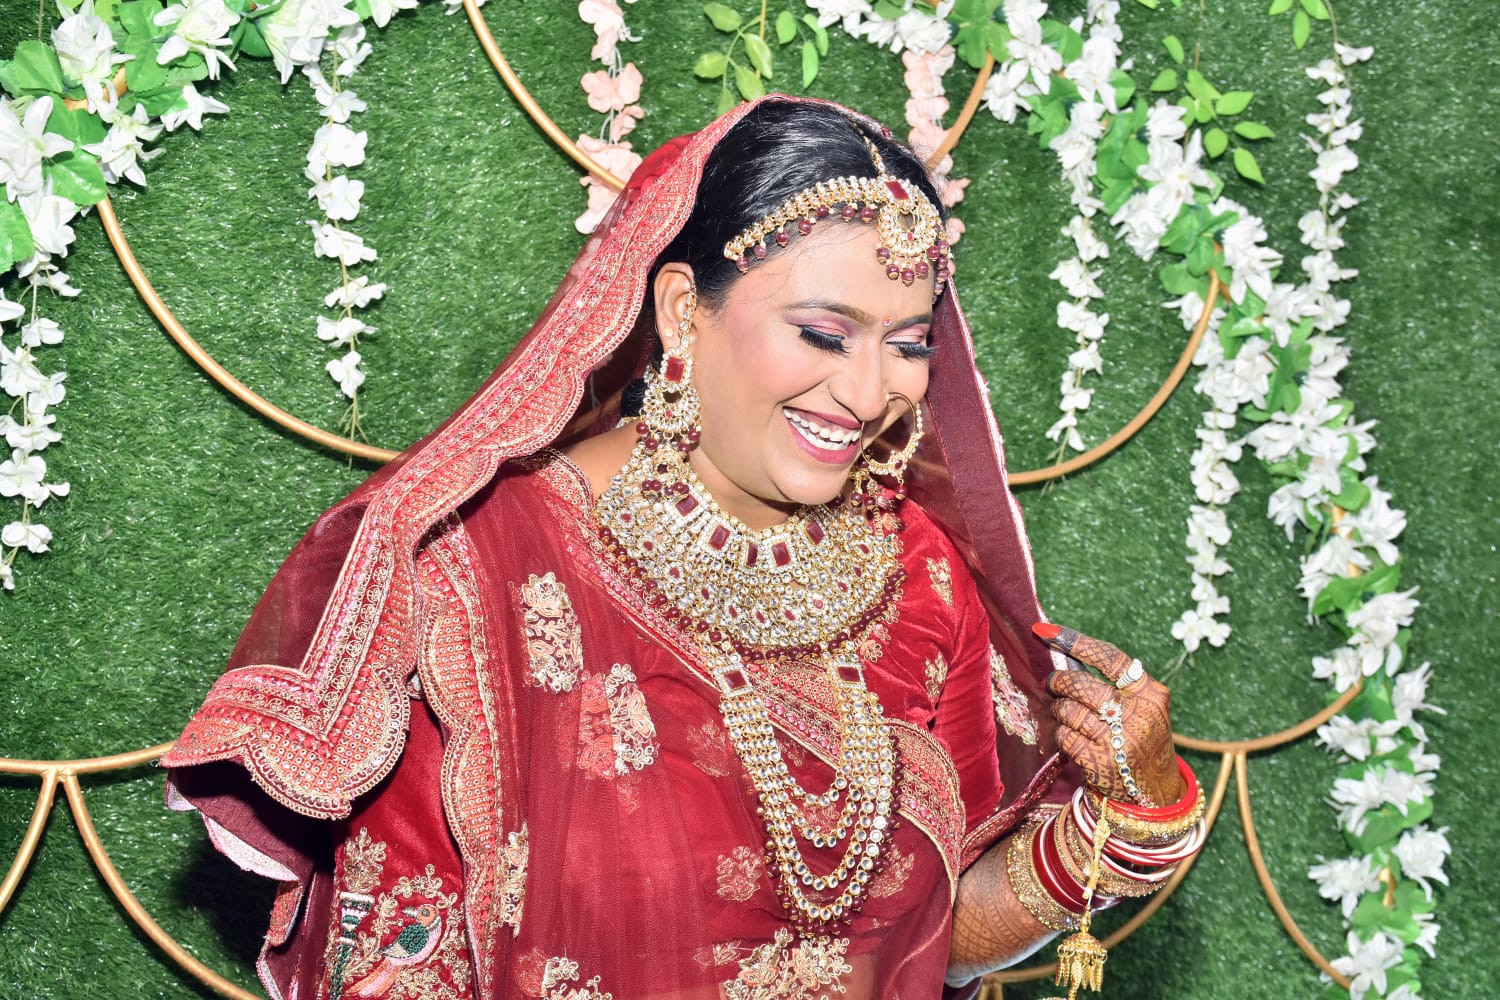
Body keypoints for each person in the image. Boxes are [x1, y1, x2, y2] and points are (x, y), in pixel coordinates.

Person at [164, 96, 1204, 999]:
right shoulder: (481, 573)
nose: (867, 392)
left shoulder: (918, 574)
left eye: (908, 343)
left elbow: (940, 935)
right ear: (680, 312)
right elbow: (402, 961)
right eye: (823, 334)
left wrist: (1130, 821)